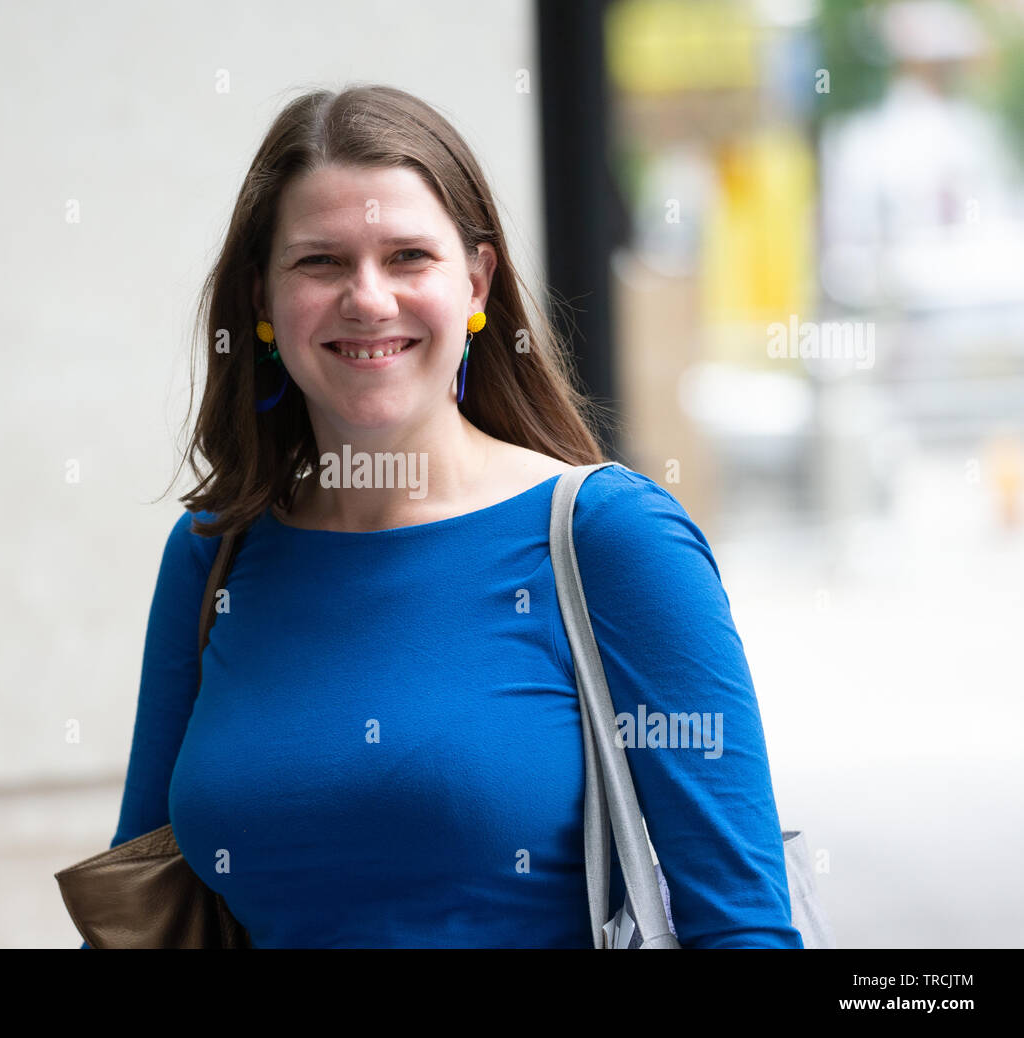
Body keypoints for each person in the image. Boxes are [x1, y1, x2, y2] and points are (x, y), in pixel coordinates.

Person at [83, 84, 802, 948]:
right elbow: (136, 914)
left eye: (408, 257)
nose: (369, 299)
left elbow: (742, 926)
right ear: (262, 303)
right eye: (320, 262)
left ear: (476, 280)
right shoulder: (215, 557)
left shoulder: (608, 539)